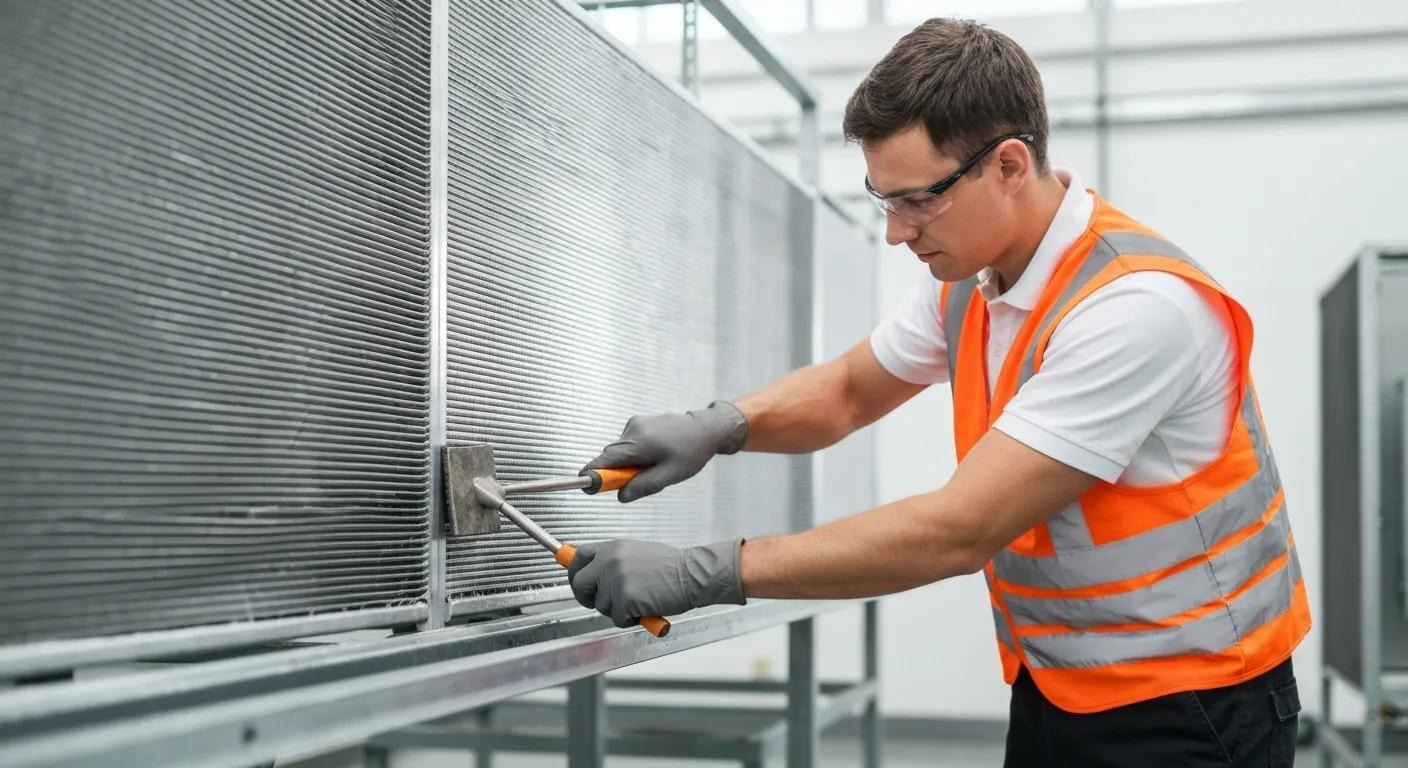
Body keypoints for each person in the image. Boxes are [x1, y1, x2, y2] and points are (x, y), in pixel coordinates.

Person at [565, 17, 1308, 767]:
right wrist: (720, 425)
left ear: (1010, 165)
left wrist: (708, 572)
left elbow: (958, 530)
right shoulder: (972, 282)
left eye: (917, 200)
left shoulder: (1134, 308)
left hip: (1195, 707)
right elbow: (851, 391)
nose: (896, 232)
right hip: (1060, 687)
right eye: (884, 201)